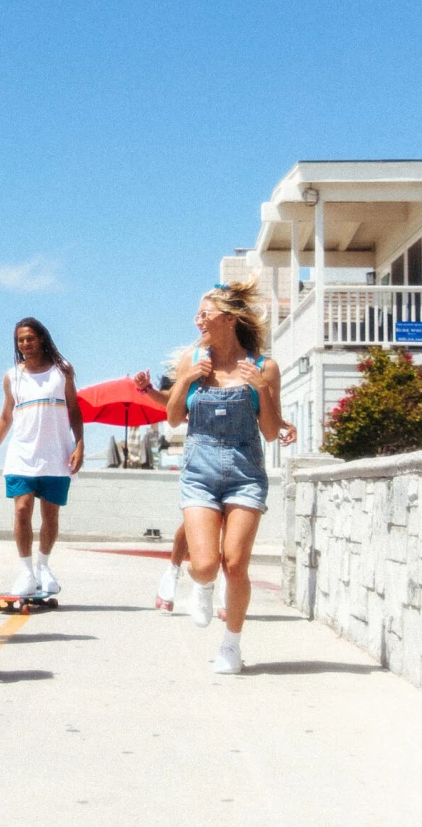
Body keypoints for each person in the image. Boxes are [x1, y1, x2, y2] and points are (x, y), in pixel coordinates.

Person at [165, 279, 284, 675]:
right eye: (198, 313)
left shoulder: (264, 366)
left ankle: (231, 646)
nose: (198, 319)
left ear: (229, 318)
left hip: (245, 474)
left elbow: (269, 431)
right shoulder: (193, 360)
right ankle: (200, 584)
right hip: (199, 472)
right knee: (204, 564)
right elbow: (173, 418)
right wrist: (184, 381)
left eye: (205, 312)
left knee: (235, 563)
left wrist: (262, 390)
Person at [0, 318, 83, 598]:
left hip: (56, 456)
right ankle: (26, 572)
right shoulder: (12, 376)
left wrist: (79, 444)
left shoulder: (62, 370)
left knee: (50, 515)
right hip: (21, 455)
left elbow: (75, 410)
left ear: (42, 339)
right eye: (20, 339)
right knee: (21, 510)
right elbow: (6, 416)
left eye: (30, 338)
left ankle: (43, 566)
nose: (25, 344)